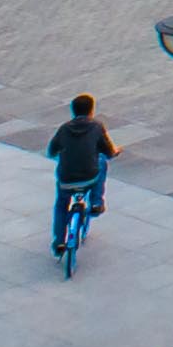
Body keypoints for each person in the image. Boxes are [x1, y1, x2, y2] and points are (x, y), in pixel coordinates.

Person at [48, 93, 115, 255]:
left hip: (66, 180)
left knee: (61, 204)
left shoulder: (64, 128)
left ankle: (58, 242)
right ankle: (96, 202)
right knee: (101, 162)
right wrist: (115, 151)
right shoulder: (97, 127)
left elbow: (51, 151)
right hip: (89, 177)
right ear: (91, 111)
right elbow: (108, 152)